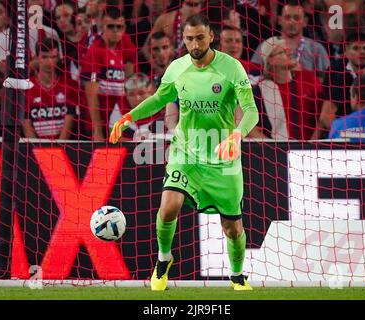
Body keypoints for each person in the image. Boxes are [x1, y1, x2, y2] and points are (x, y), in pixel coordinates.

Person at [110, 14, 258, 291]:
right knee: (168, 207)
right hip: (185, 153)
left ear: (211, 36)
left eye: (200, 37)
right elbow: (159, 99)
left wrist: (237, 134)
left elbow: (251, 110)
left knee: (232, 229)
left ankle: (237, 276)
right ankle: (163, 261)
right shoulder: (177, 68)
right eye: (189, 38)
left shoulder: (232, 68)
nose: (194, 43)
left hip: (222, 158)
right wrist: (128, 117)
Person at [81, 6, 136, 141]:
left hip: (118, 120)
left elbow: (130, 78)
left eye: (120, 27)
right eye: (111, 26)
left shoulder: (122, 47)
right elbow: (91, 95)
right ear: (103, 27)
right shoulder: (95, 51)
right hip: (99, 123)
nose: (116, 31)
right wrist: (98, 131)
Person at [256, 37, 322, 140]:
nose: (290, 53)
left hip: (311, 148)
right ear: (270, 60)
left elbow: (323, 115)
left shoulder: (308, 79)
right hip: (278, 150)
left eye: (288, 49)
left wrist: (312, 144)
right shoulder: (260, 91)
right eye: (282, 51)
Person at [251, 0, 329, 82]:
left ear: (305, 22)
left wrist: (303, 74)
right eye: (287, 17)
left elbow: (325, 82)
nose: (292, 22)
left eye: (296, 18)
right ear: (279, 20)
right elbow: (253, 75)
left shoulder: (317, 49)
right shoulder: (267, 45)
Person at [22, 38, 78, 140]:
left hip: (63, 148)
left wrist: (58, 149)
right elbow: (26, 126)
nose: (49, 62)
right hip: (35, 149)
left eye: (53, 57)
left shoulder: (70, 85)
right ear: (36, 58)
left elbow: (68, 125)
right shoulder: (26, 87)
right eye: (44, 57)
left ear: (59, 58)